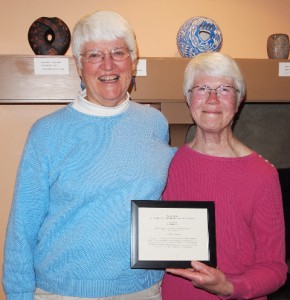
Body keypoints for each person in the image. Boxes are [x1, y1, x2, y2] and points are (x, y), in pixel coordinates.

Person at [2, 10, 175, 300]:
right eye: (94, 54)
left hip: (142, 290)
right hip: (62, 292)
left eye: (118, 52)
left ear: (132, 60)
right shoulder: (47, 133)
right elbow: (22, 226)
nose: (108, 64)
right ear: (79, 66)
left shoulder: (155, 123)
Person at [161, 52, 288, 299]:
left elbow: (274, 268)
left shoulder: (262, 174)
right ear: (188, 98)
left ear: (238, 100)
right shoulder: (166, 165)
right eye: (202, 88)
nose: (212, 99)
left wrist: (229, 287)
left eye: (224, 89)